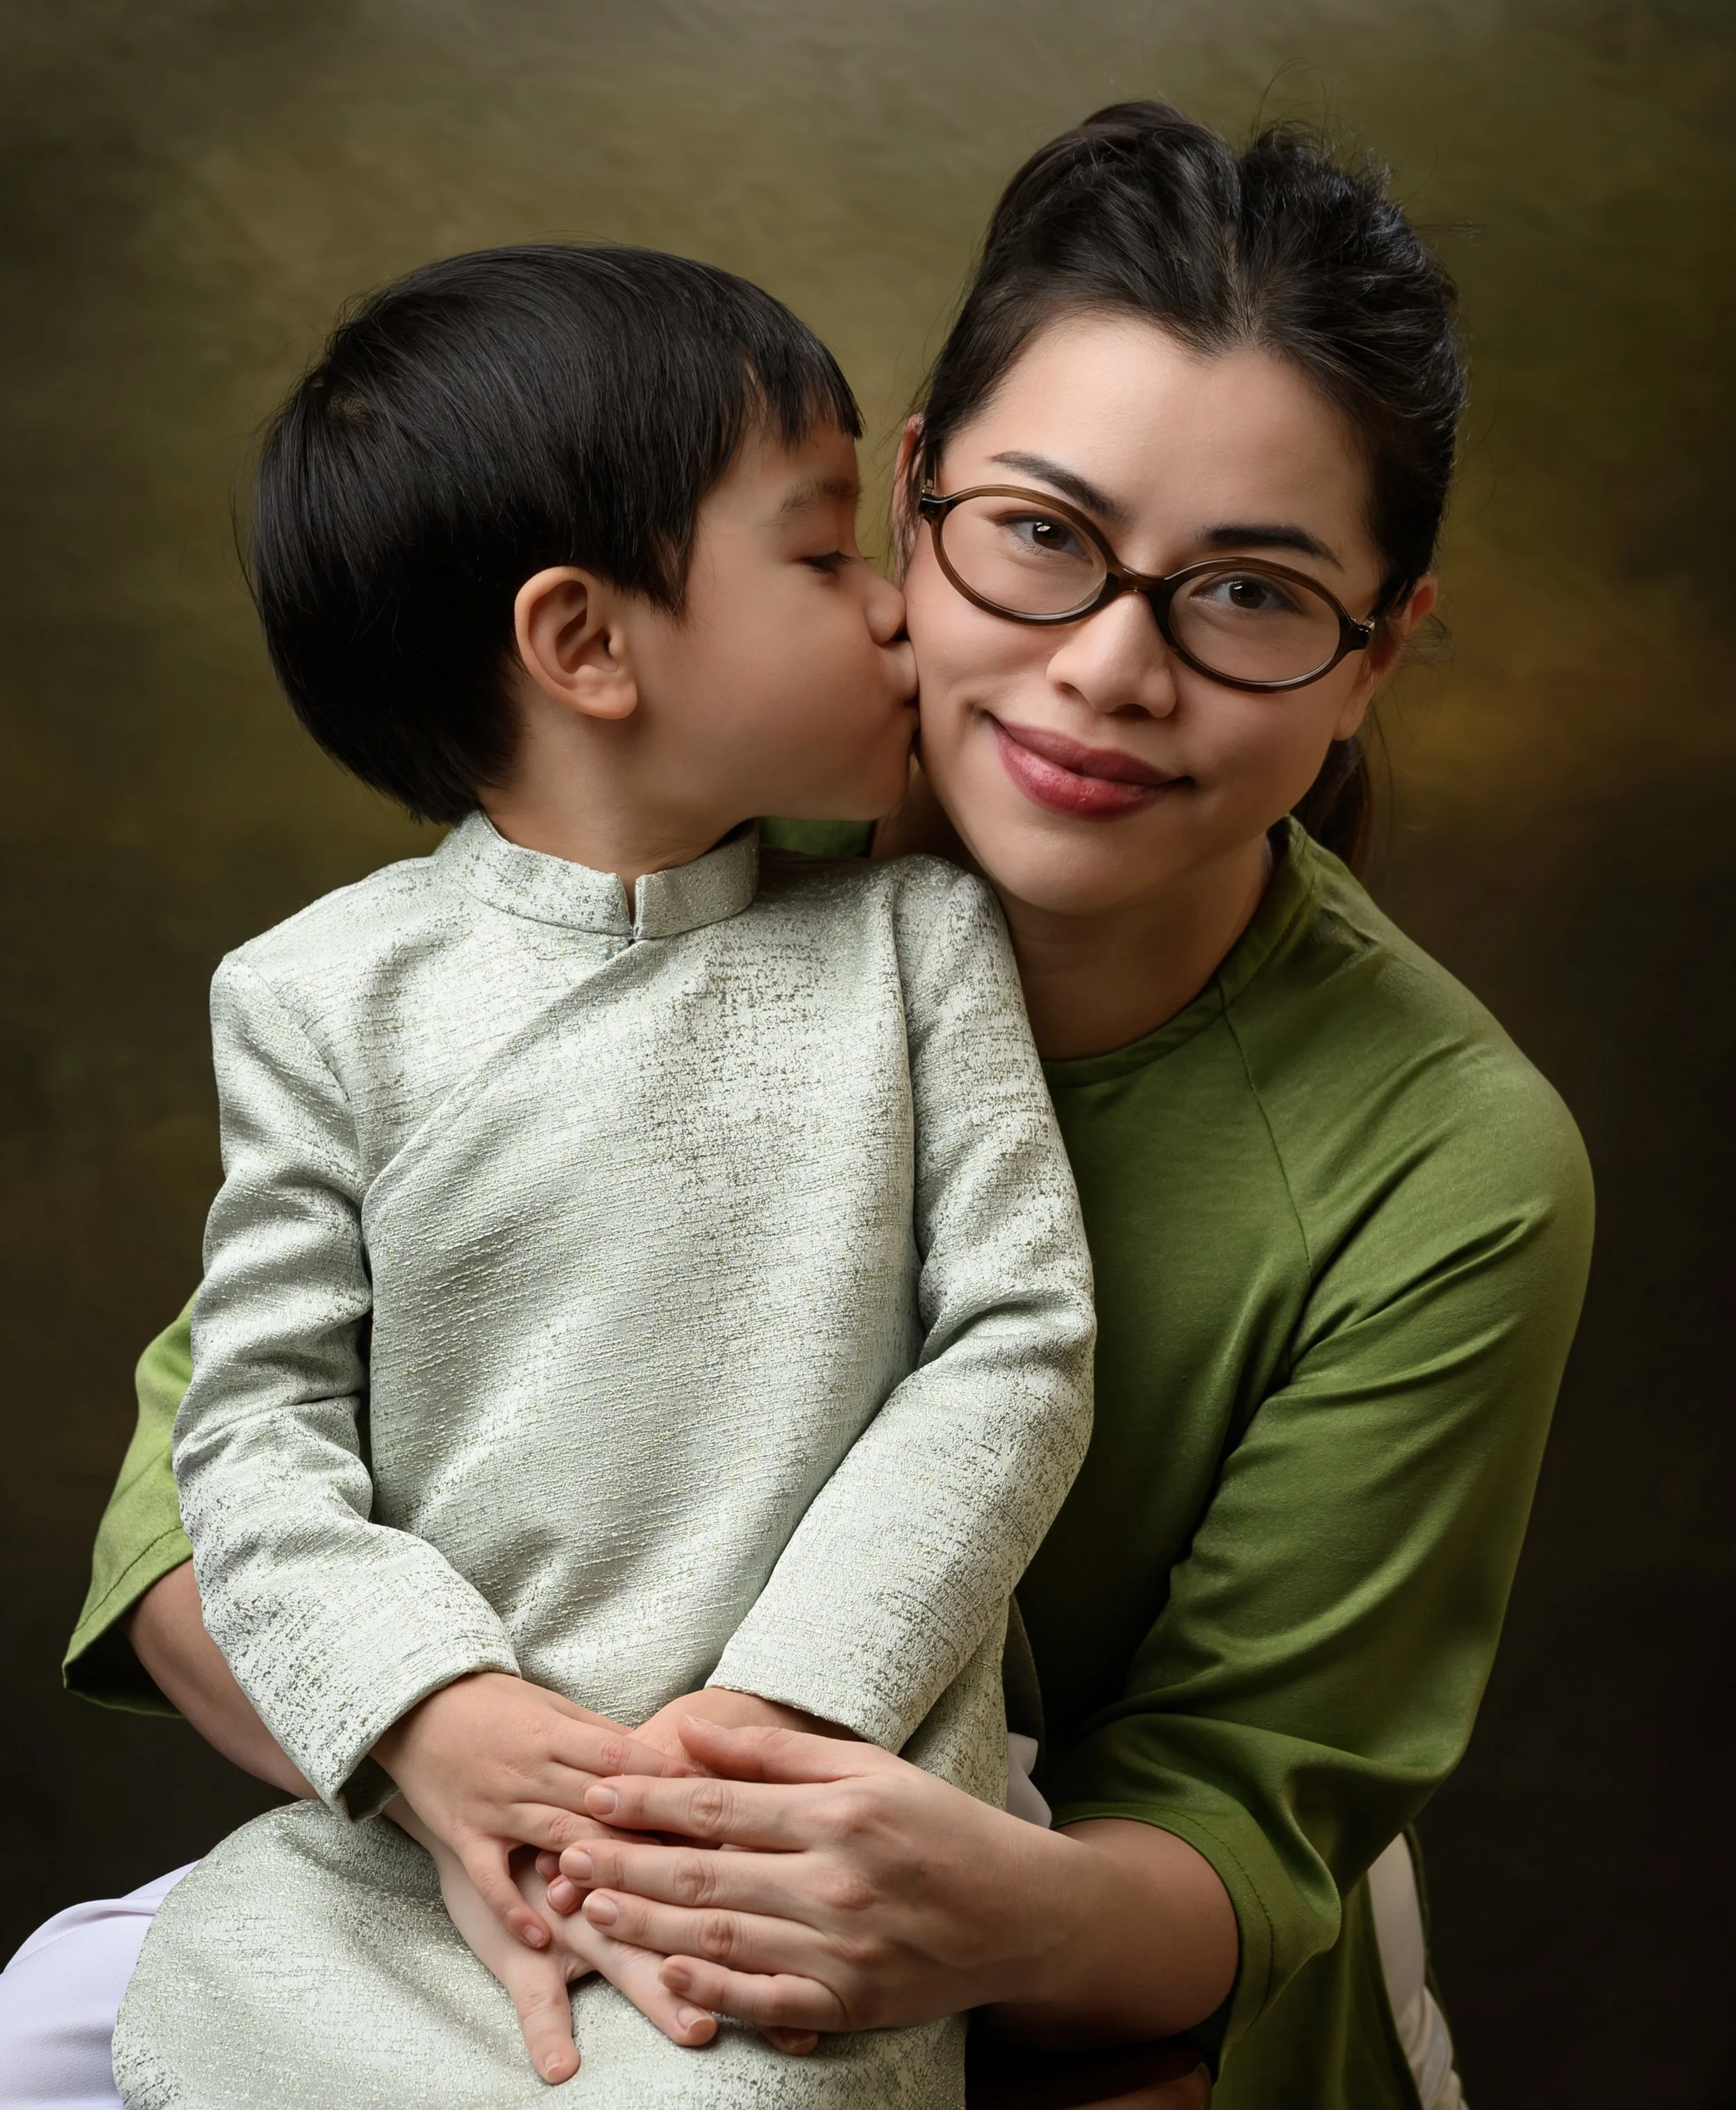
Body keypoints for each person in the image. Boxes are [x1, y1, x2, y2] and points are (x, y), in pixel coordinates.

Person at [13, 100, 1592, 2110]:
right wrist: (463, 1753)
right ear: (915, 495)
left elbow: (1236, 1823)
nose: (1111, 665)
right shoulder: (569, 916)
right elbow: (206, 1496)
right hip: (504, 1896)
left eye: (1253, 592)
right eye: (1039, 529)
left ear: (1374, 660)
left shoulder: (1449, 1157)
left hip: (1083, 1985)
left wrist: (910, 1882)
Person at [91, 242, 1096, 2110]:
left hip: (793, 1831)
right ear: (585, 644)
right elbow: (251, 1431)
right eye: (820, 555)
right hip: (432, 1831)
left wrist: (782, 1711)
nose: (899, 614)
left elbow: (1015, 1347)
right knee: (160, 2034)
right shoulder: (318, 998)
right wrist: (428, 1716)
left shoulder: (914, 945)